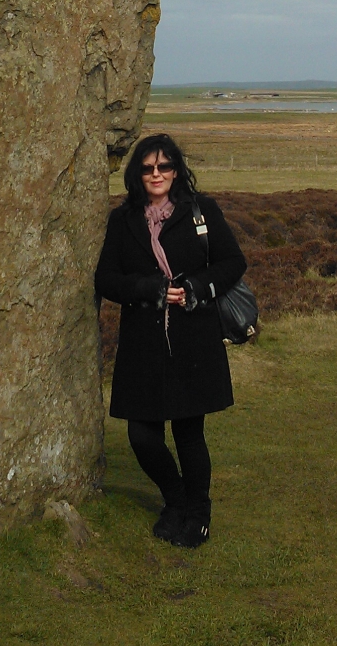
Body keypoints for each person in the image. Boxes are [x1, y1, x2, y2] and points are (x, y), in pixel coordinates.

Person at [94, 133, 247, 548]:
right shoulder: (123, 221)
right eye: (147, 168)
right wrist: (151, 289)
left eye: (163, 166)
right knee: (142, 436)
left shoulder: (202, 212)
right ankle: (175, 500)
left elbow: (233, 262)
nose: (156, 174)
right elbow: (106, 279)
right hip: (142, 343)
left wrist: (196, 287)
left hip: (192, 340)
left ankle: (197, 514)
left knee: (188, 432)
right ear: (137, 174)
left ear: (176, 170)